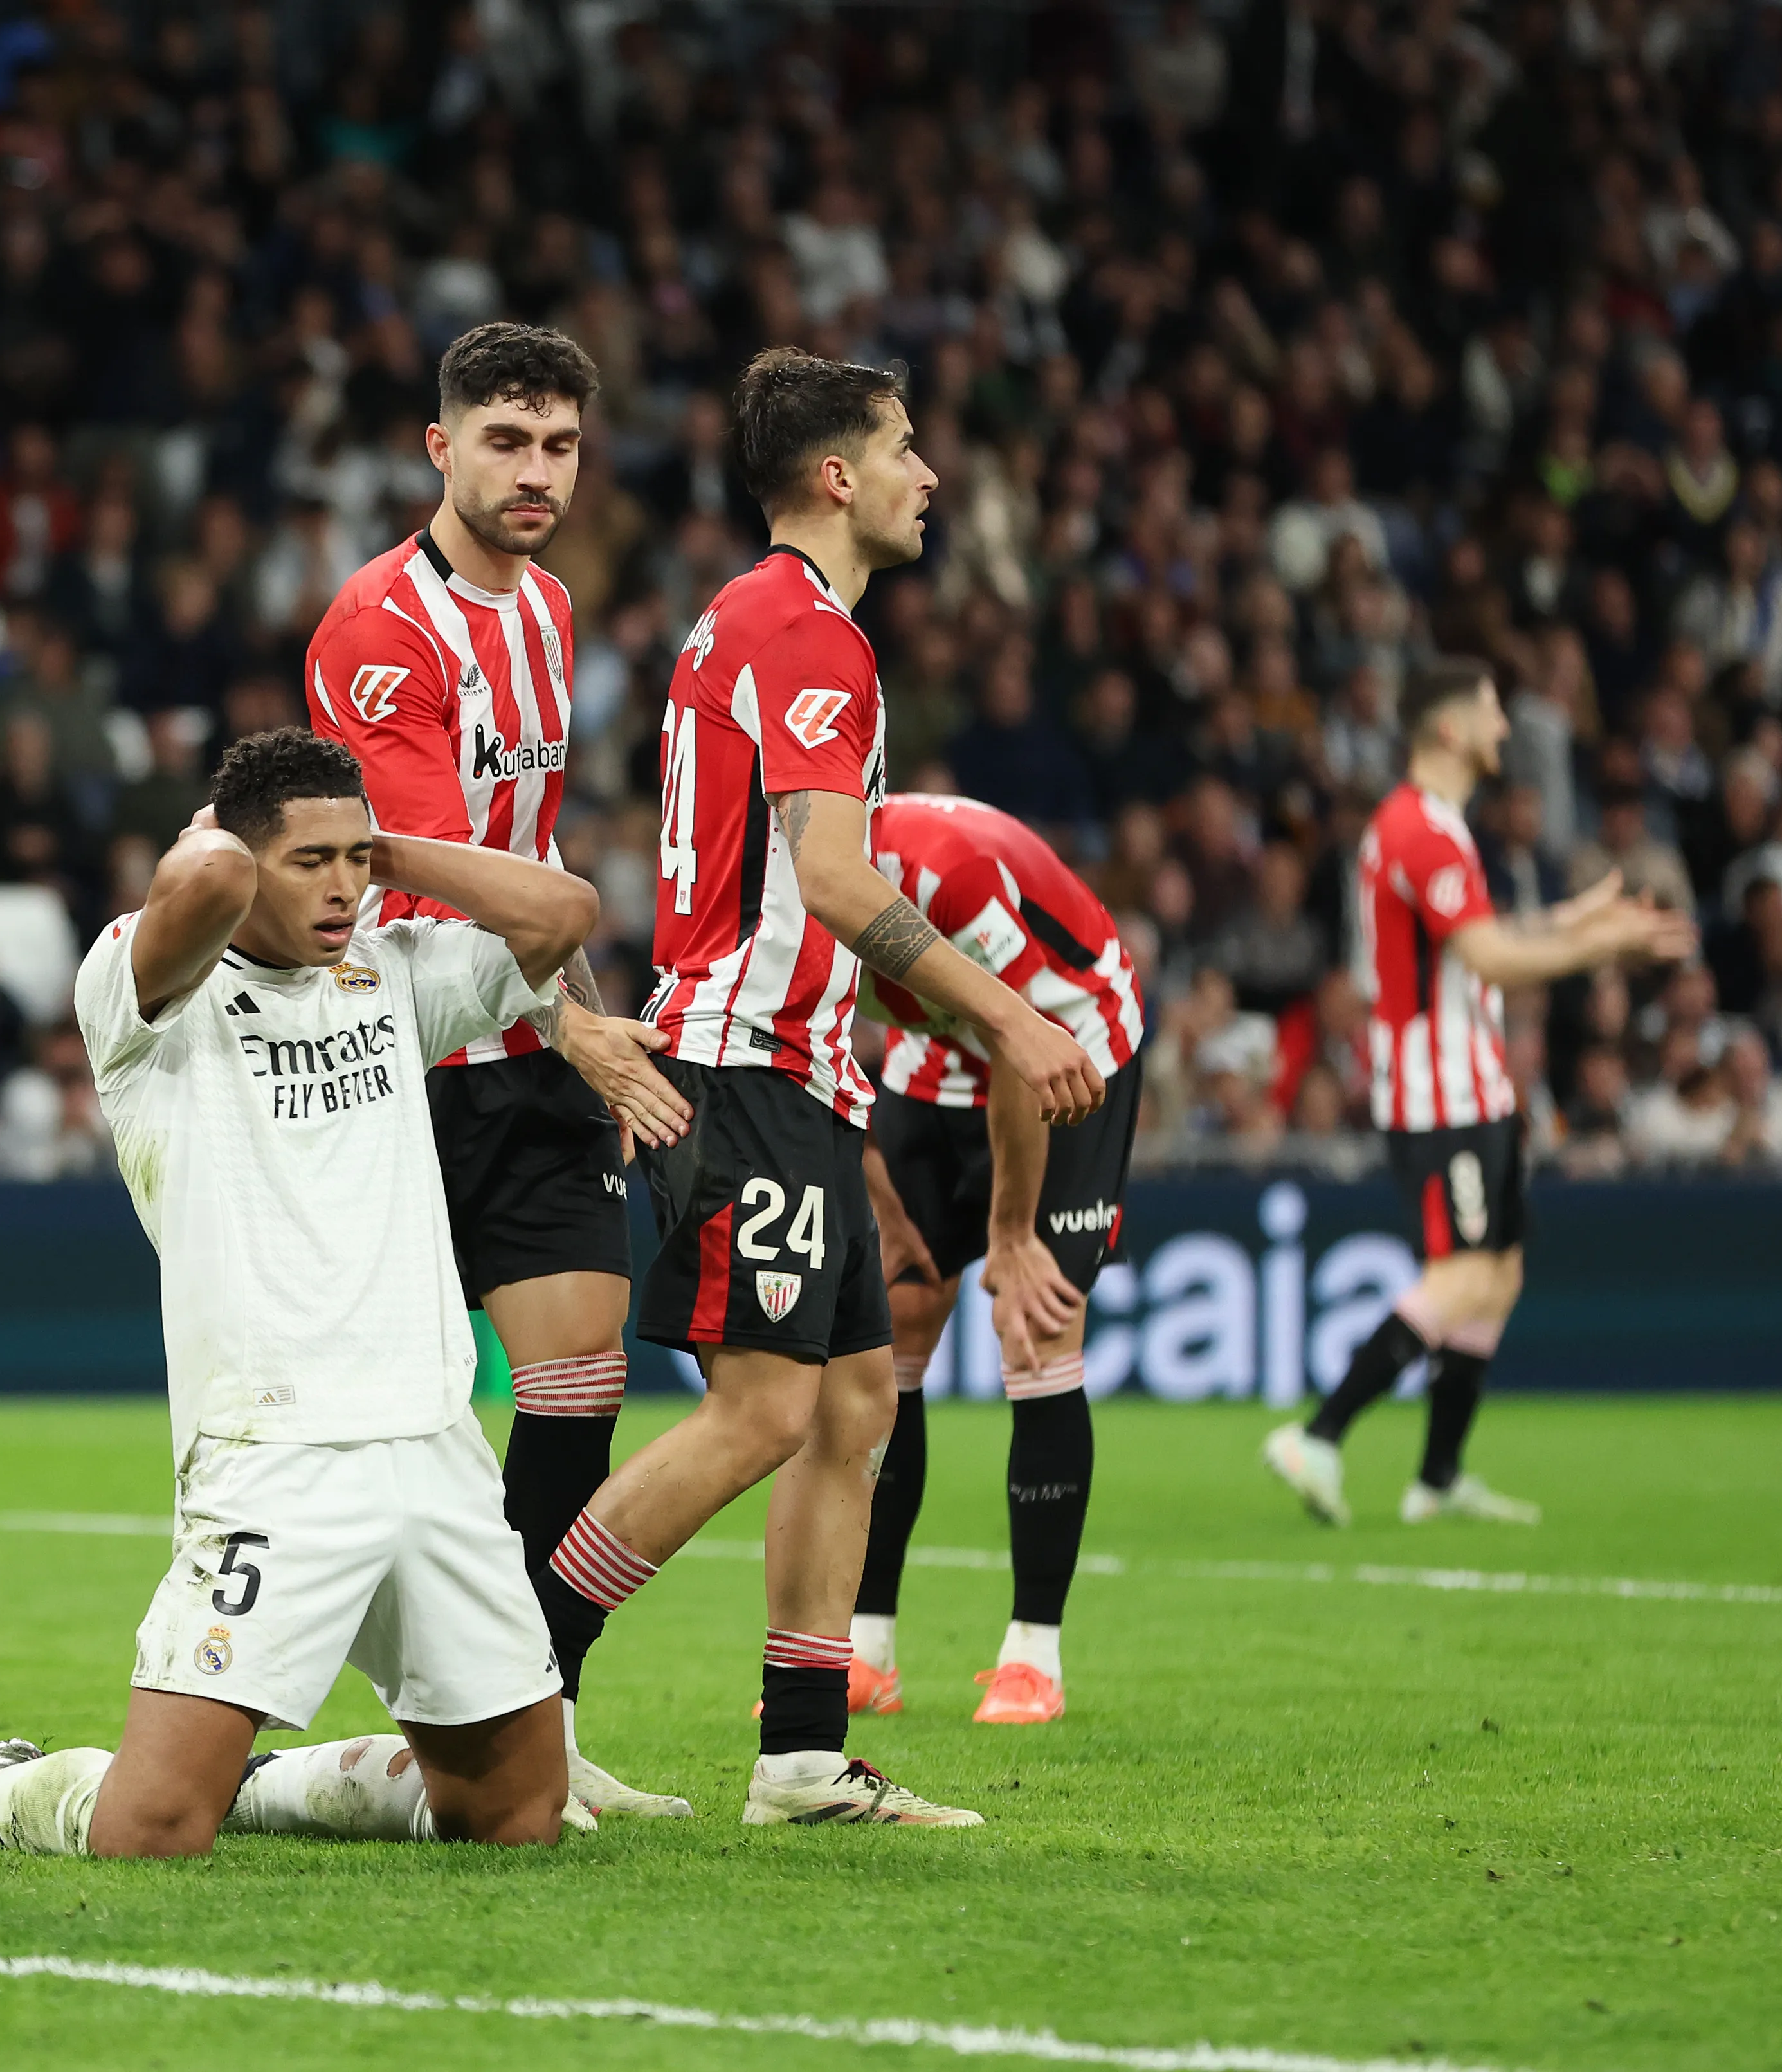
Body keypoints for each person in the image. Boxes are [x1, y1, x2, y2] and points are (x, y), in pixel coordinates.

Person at [0, 728, 594, 1859]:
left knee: (515, 1817)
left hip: (433, 1444)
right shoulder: (146, 999)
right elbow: (209, 881)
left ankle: (269, 1781)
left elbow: (565, 914)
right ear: (237, 857)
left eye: (354, 859)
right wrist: (231, 849)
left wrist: (387, 854)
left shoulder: (392, 974)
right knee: (150, 1831)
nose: (342, 886)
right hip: (271, 1449)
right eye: (310, 861)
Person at [534, 349, 1105, 1827]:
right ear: (840, 476)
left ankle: (799, 1751)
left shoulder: (756, 619)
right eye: (908, 450)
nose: (931, 477)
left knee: (856, 1399)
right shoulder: (805, 632)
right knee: (758, 1412)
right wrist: (1014, 1019)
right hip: (747, 1067)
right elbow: (839, 879)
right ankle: (513, 1696)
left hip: (795, 1071)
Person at [302, 321, 695, 1821]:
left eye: (560, 447)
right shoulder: (380, 625)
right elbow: (426, 869)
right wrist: (576, 1017)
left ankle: (546, 1722)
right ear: (439, 448)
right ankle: (411, 1721)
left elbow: (529, 872)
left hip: (525, 1039)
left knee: (581, 1381)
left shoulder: (547, 613)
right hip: (396, 1049)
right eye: (508, 443)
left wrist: (579, 1018)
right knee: (384, 1418)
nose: (538, 474)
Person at [1266, 659, 1693, 1527]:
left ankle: (1437, 1476)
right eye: (1496, 711)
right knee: (1461, 1275)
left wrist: (1576, 920)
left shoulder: (1439, 826)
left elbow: (1482, 938)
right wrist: (1601, 949)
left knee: (1498, 1274)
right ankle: (1318, 1435)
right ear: (1451, 728)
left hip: (1478, 1088)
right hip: (1438, 1096)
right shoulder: (1419, 832)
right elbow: (1490, 958)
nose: (1509, 728)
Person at [851, 794, 1148, 1727]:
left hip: (1069, 1040)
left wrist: (1012, 1235)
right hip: (932, 1047)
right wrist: (879, 1204)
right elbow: (800, 1060)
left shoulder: (949, 877)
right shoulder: (778, 893)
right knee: (893, 1317)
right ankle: (866, 1651)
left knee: (1037, 1321)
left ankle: (1034, 1655)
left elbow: (1022, 1045)